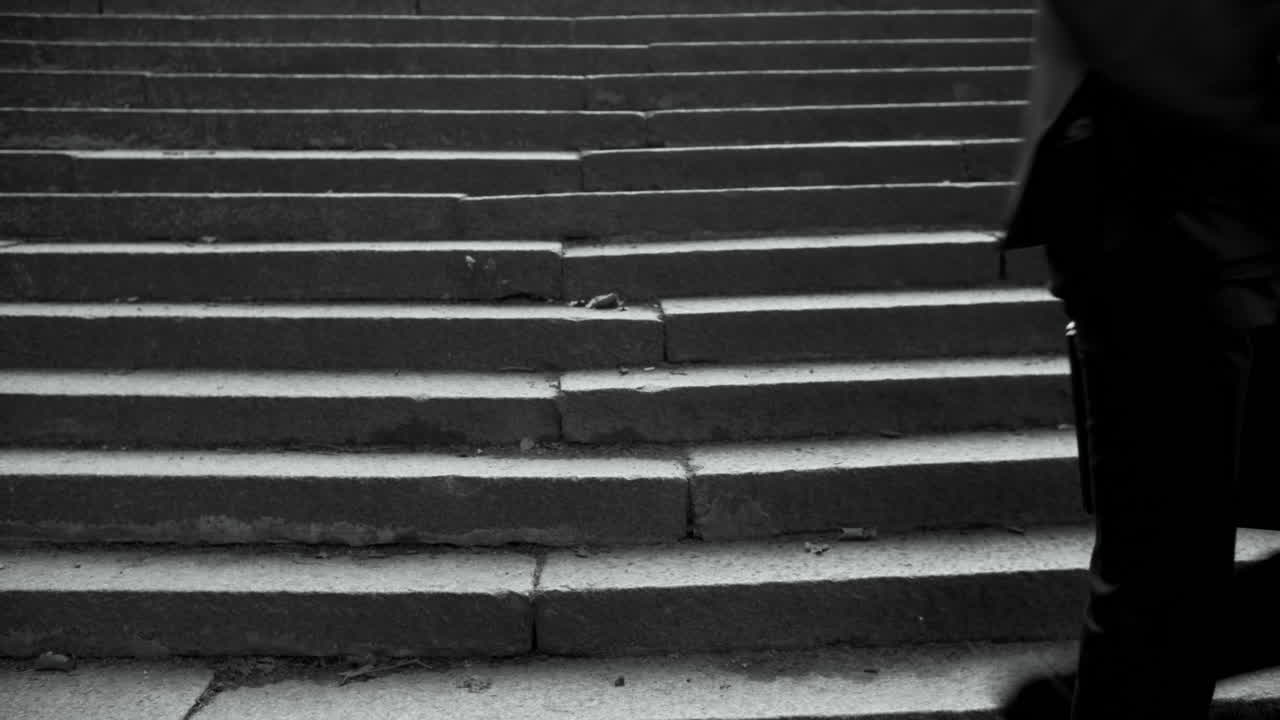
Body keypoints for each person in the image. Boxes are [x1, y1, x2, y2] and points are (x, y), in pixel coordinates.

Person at [998, 1, 1280, 717]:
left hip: (1193, 195)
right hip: (1166, 204)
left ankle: (1126, 677)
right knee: (1165, 559)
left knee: (1164, 569)